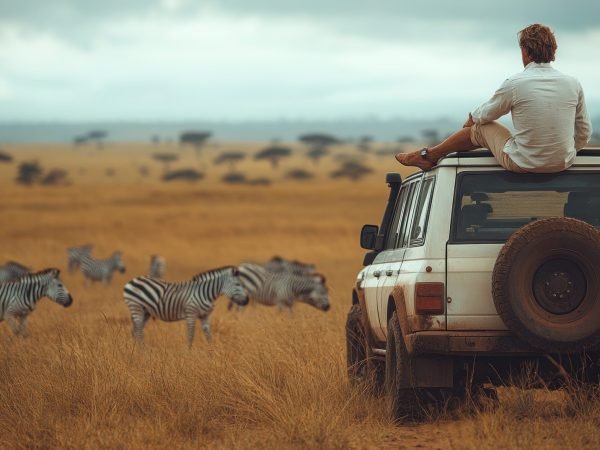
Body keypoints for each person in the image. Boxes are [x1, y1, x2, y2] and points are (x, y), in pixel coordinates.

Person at [396, 24, 593, 173]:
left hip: (522, 163)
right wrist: (565, 152)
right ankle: (427, 155)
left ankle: (428, 156)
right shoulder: (573, 83)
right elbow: (584, 131)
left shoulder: (516, 83)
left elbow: (487, 114)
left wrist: (472, 118)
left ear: (525, 51)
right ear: (553, 52)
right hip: (563, 163)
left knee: (480, 128)